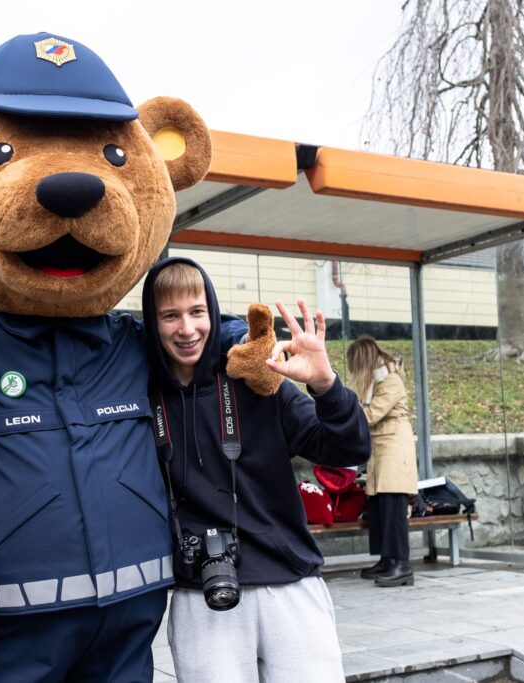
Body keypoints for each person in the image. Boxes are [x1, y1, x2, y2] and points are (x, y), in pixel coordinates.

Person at [141, 256, 371, 683]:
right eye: (170, 316)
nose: (187, 329)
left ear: (212, 311)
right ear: (152, 324)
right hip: (202, 594)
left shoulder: (256, 380)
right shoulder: (140, 395)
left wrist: (325, 385)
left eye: (197, 311)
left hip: (289, 584)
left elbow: (349, 448)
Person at [347, 336, 418, 587]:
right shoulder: (378, 379)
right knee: (378, 506)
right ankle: (387, 559)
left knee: (393, 507)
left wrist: (345, 419)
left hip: (394, 447)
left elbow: (372, 414)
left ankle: (402, 564)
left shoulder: (391, 380)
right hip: (381, 447)